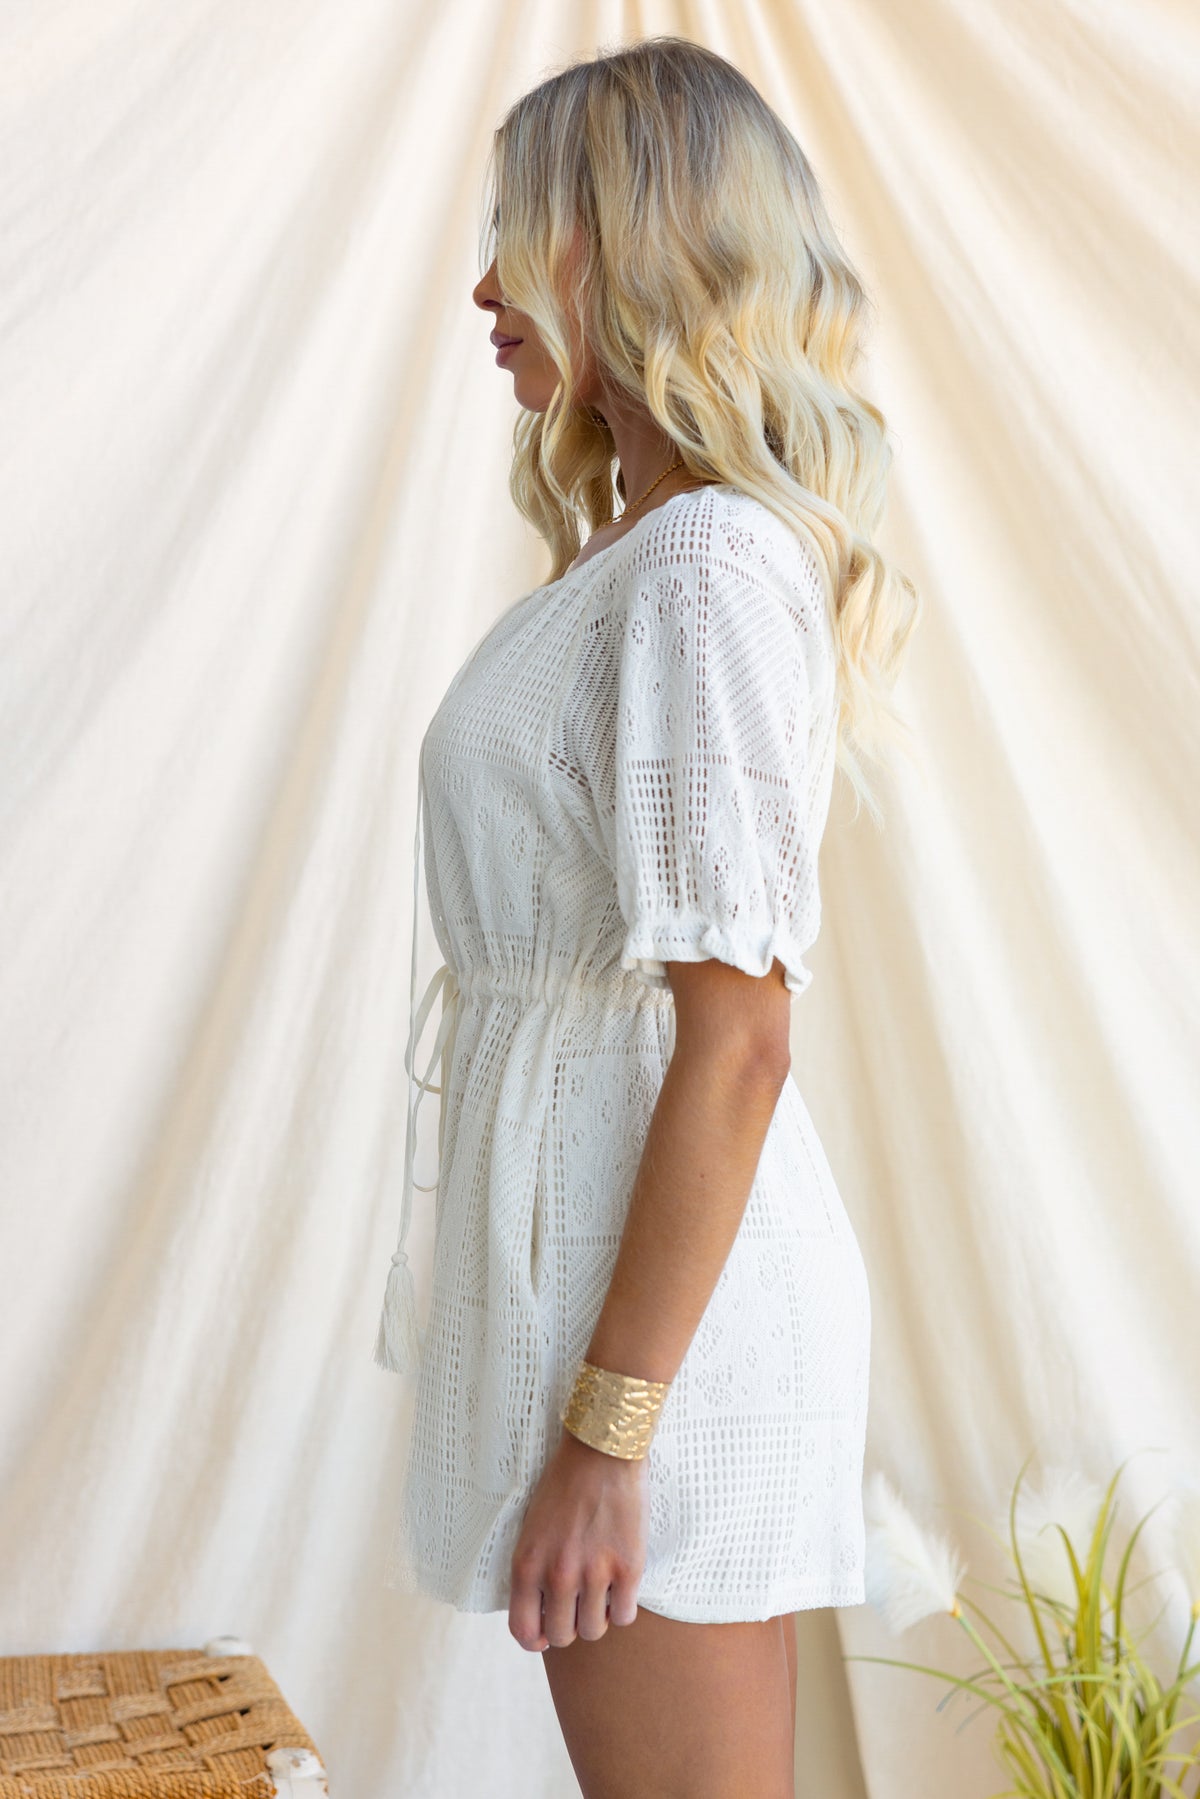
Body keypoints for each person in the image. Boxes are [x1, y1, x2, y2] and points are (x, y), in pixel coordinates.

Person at [375, 34, 920, 1798]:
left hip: (666, 1349)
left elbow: (741, 1043)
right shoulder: (649, 553)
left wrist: (614, 1433)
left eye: (520, 232)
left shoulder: (702, 569)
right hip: (629, 1309)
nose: (484, 286)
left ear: (631, 243)